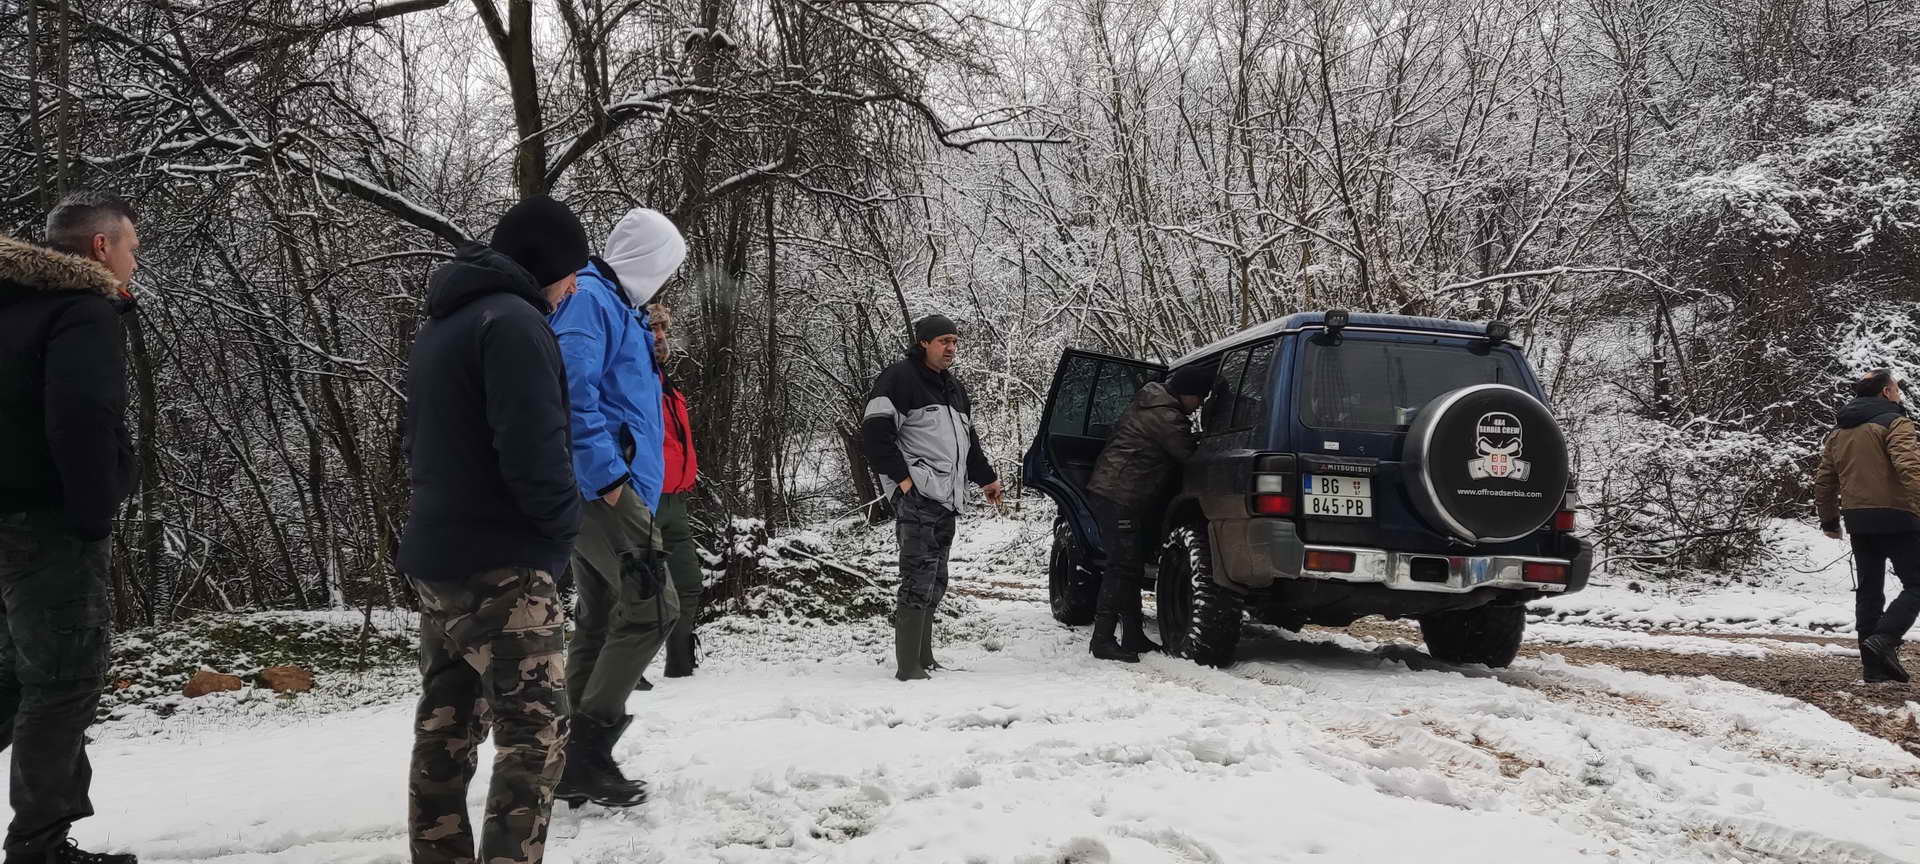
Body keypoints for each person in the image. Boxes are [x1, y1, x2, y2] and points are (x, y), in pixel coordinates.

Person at [397, 195, 586, 862]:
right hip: (504, 566)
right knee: (536, 737)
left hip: (437, 559)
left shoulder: (444, 324)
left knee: (446, 731)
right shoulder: (515, 324)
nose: (572, 288)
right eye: (571, 272)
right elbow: (537, 454)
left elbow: (415, 443)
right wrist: (563, 534)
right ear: (548, 263)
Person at [0, 192, 140, 864]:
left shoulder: (10, 305)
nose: (134, 263)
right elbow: (82, 415)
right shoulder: (82, 310)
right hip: (48, 522)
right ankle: (40, 847)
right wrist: (94, 510)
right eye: (132, 248)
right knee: (64, 679)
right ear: (100, 247)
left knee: (9, 679)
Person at [548, 207, 685, 804]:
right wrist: (607, 477)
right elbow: (569, 390)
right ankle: (588, 751)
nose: (666, 279)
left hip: (612, 488)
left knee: (601, 617)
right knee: (655, 606)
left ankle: (564, 761)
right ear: (647, 260)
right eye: (666, 265)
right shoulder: (591, 302)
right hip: (603, 489)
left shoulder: (617, 306)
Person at [862, 315, 1003, 682]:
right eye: (944, 341)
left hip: (946, 500)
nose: (951, 348)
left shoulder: (954, 389)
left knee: (936, 580)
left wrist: (987, 479)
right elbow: (874, 434)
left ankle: (924, 657)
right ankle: (908, 666)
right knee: (916, 579)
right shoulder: (899, 379)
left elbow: (969, 445)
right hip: (918, 497)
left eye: (954, 341)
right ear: (923, 342)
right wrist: (903, 481)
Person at [1083, 366, 1211, 663]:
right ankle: (1102, 639)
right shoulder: (1165, 416)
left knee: (1130, 566)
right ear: (1186, 393)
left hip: (1116, 493)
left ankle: (1132, 635)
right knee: (1121, 566)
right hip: (1120, 495)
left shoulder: (1153, 403)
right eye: (1200, 397)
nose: (1200, 404)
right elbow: (1189, 454)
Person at [1815, 368, 1920, 684]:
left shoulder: (1838, 431)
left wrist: (1829, 519)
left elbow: (1825, 480)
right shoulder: (1895, 422)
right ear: (1886, 392)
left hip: (1858, 519)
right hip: (1897, 517)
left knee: (1869, 591)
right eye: (1896, 388)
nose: (1898, 393)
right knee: (1917, 584)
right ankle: (1884, 639)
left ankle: (1873, 668)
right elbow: (1910, 468)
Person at [648, 303, 705, 679]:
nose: (660, 337)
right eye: (652, 329)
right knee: (634, 590)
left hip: (676, 499)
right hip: (643, 499)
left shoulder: (665, 381)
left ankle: (680, 664)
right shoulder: (627, 378)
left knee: (688, 583)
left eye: (663, 330)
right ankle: (625, 668)